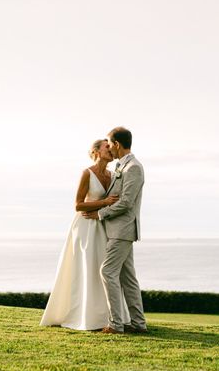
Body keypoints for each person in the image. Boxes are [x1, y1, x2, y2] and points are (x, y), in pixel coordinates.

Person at [40, 139, 130, 330]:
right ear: (96, 151)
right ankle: (86, 317)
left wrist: (107, 205)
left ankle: (109, 317)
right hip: (86, 227)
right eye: (107, 147)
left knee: (105, 271)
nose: (111, 150)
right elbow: (78, 205)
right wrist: (104, 203)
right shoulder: (87, 173)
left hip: (104, 226)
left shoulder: (113, 174)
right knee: (88, 268)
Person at [83, 127, 147, 334]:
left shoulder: (133, 168)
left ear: (117, 144)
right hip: (118, 230)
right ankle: (138, 324)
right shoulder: (123, 166)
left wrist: (100, 214)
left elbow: (127, 202)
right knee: (128, 279)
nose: (109, 148)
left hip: (123, 230)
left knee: (107, 271)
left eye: (110, 144)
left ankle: (116, 325)